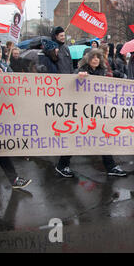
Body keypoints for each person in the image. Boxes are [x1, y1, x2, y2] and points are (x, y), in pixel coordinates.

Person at [54, 49, 127, 178]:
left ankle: (110, 166)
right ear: (87, 59)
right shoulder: (80, 71)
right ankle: (61, 165)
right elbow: (70, 86)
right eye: (93, 57)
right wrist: (78, 78)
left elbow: (112, 79)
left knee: (103, 137)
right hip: (83, 113)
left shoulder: (103, 72)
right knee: (75, 138)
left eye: (98, 57)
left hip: (97, 112)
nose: (95, 59)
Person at [0, 42, 32, 189]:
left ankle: (14, 179)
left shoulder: (3, 66)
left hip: (1, 113)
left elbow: (14, 82)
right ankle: (14, 179)